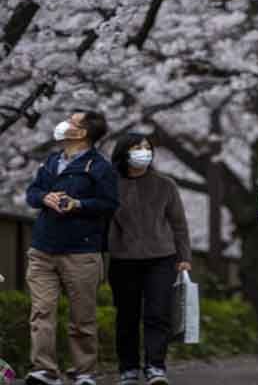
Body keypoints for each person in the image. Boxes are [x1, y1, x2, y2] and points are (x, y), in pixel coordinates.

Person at [24, 111, 119, 385]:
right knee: (42, 312)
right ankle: (44, 369)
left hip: (81, 252)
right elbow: (32, 193)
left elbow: (110, 204)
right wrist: (45, 197)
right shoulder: (51, 161)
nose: (64, 123)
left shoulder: (100, 168)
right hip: (42, 248)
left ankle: (85, 371)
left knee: (82, 317)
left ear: (82, 133)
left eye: (72, 121)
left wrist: (78, 204)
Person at [108, 133, 192, 385]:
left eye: (147, 148)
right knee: (126, 315)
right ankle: (128, 369)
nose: (144, 152)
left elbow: (179, 224)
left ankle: (156, 366)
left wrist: (184, 257)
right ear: (124, 153)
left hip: (162, 258)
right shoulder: (110, 185)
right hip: (123, 258)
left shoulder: (165, 184)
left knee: (158, 314)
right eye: (137, 148)